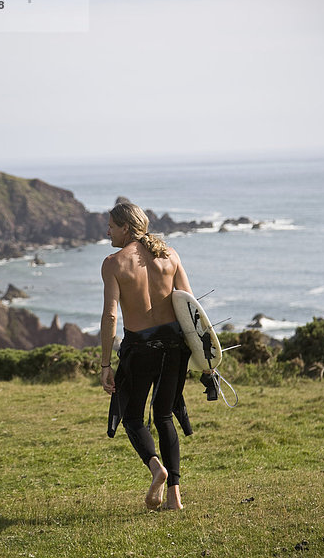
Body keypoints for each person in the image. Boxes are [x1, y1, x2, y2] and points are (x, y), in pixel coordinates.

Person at [100, 202, 194, 511]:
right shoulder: (169, 256)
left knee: (132, 417)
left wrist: (105, 364)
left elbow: (111, 318)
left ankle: (157, 469)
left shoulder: (114, 263)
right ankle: (175, 497)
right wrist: (204, 358)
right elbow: (190, 307)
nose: (108, 231)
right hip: (175, 347)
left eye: (111, 226)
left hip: (139, 349)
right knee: (164, 414)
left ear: (125, 228)